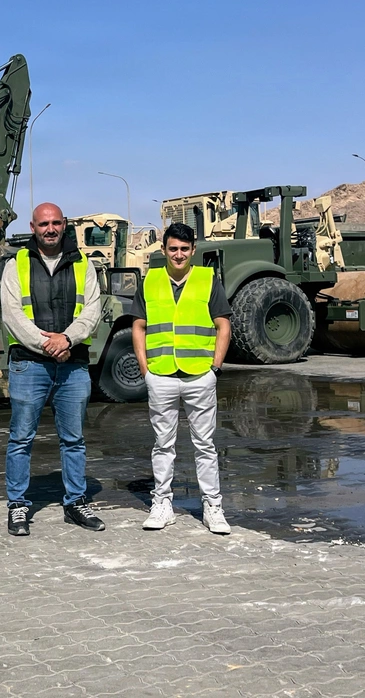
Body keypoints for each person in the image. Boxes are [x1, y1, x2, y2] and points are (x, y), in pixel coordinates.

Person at [1, 203, 105, 535]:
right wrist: (48, 344)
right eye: (44, 223)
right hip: (29, 364)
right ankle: (18, 506)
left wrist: (67, 339)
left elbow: (92, 310)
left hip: (72, 366)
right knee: (21, 439)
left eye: (56, 223)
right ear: (33, 227)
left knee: (74, 440)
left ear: (64, 225)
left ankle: (75, 503)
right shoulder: (16, 264)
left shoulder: (83, 263)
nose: (50, 229)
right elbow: (12, 314)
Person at [131, 222, 232, 534]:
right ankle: (162, 504)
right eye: (173, 248)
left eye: (184, 249)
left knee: (205, 445)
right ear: (163, 250)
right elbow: (139, 326)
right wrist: (146, 371)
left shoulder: (207, 279)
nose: (178, 254)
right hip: (161, 375)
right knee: (163, 444)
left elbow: (223, 325)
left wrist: (215, 368)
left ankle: (213, 506)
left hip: (199, 375)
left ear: (193, 250)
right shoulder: (150, 281)